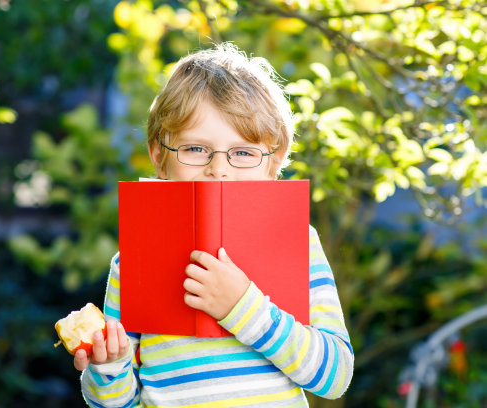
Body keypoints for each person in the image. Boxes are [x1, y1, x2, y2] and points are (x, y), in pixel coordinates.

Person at [74, 43, 354, 407]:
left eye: (243, 152)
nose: (218, 169)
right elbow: (117, 403)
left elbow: (335, 376)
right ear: (160, 157)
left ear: (274, 162)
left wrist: (241, 307)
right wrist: (108, 368)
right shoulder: (133, 261)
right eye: (195, 149)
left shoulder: (295, 240)